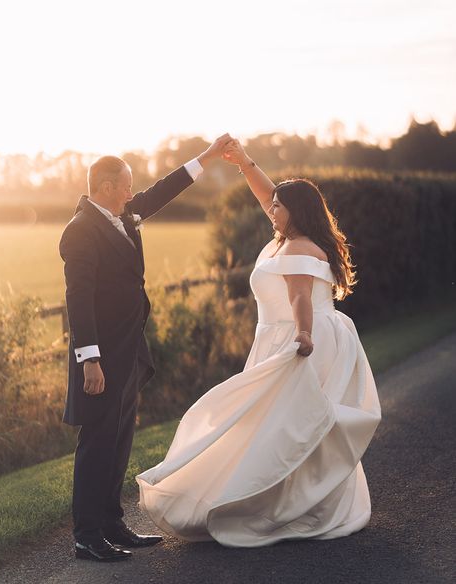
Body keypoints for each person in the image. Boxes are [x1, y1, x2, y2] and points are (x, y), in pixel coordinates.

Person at [137, 139, 382, 547]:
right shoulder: (290, 233)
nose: (270, 210)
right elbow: (271, 195)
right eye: (272, 207)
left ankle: (291, 505)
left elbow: (300, 296)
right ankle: (286, 500)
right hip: (282, 336)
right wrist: (245, 163)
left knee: (289, 426)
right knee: (280, 424)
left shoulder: (300, 246)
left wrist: (302, 336)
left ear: (296, 213)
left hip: (299, 338)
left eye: (277, 208)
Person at [59, 133, 233, 562]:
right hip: (100, 356)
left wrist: (206, 158)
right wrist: (90, 360)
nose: (132, 192)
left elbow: (162, 191)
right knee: (97, 441)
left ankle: (111, 522)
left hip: (130, 348)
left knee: (120, 438)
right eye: (125, 185)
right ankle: (86, 535)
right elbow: (78, 300)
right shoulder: (80, 231)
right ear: (104, 189)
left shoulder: (125, 213)